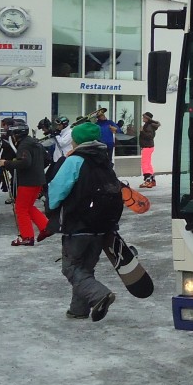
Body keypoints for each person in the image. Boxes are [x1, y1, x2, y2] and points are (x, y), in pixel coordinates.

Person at [46, 121, 118, 322]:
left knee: (70, 267)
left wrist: (51, 207)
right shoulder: (104, 160)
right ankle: (78, 310)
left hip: (78, 224)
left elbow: (58, 190)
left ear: (76, 140)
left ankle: (99, 295)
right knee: (85, 269)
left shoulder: (75, 160)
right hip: (102, 225)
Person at [1, 119, 52, 246]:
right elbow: (47, 158)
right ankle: (45, 226)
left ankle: (27, 236)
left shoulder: (24, 145)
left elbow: (25, 162)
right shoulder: (35, 143)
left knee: (20, 208)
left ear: (17, 134)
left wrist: (6, 163)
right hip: (38, 180)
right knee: (28, 206)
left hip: (28, 181)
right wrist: (37, 169)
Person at [138, 111, 160, 189]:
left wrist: (142, 131)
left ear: (147, 118)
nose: (143, 118)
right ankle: (152, 180)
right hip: (149, 146)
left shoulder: (148, 126)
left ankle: (148, 180)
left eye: (144, 117)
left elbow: (150, 136)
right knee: (148, 163)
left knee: (145, 163)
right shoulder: (149, 125)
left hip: (147, 146)